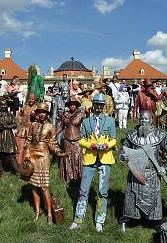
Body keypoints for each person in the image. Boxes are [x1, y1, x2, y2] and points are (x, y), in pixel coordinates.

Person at [120, 110, 167, 231]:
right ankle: (127, 219)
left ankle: (154, 220)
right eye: (141, 119)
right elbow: (123, 150)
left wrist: (165, 168)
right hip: (136, 173)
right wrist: (123, 156)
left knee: (153, 198)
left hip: (153, 174)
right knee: (132, 196)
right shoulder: (132, 135)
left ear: (151, 120)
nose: (143, 121)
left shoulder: (160, 135)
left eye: (146, 119)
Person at [71, 93, 116, 232]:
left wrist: (106, 146)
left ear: (104, 106)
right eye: (96, 104)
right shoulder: (86, 122)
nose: (98, 107)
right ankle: (78, 220)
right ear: (92, 105)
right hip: (90, 158)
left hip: (105, 159)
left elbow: (114, 139)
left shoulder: (110, 121)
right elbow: (81, 140)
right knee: (83, 190)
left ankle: (99, 221)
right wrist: (92, 146)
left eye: (101, 105)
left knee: (103, 191)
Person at [23, 102, 69, 220]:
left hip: (43, 156)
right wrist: (26, 151)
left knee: (44, 187)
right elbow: (28, 140)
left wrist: (59, 153)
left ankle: (49, 214)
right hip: (33, 155)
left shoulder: (50, 127)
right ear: (37, 114)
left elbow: (52, 143)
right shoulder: (33, 125)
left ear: (47, 113)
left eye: (44, 112)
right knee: (33, 185)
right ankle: (38, 212)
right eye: (39, 112)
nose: (41, 114)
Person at [0, 95, 19, 177]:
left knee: (11, 154)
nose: (3, 106)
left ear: (7, 105)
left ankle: (17, 171)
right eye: (1, 105)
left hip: (8, 136)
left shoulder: (10, 115)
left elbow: (15, 124)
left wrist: (6, 126)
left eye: (5, 104)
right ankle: (0, 172)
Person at [58, 97, 85, 187]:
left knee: (77, 158)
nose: (72, 106)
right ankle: (68, 177)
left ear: (77, 105)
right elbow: (60, 127)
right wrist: (52, 134)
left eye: (74, 104)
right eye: (70, 104)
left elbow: (85, 127)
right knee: (67, 157)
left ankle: (78, 177)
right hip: (67, 140)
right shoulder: (64, 115)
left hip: (77, 140)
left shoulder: (81, 114)